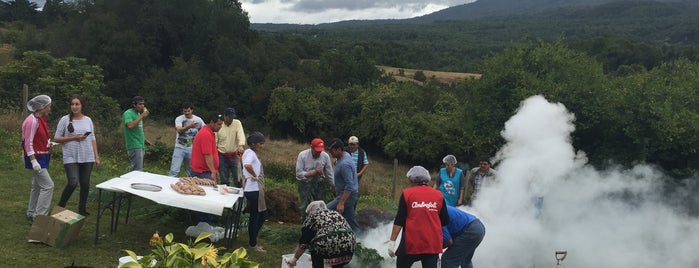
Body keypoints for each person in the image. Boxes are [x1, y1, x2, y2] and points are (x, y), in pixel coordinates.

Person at [388, 166, 449, 268]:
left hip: (411, 242)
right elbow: (445, 220)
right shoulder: (439, 195)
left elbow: (400, 220)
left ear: (410, 179)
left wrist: (392, 242)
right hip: (432, 242)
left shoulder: (407, 193)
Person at [53, 95, 100, 216]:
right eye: (72, 104)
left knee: (85, 183)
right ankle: (61, 205)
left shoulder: (88, 120)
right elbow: (57, 139)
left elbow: (92, 138)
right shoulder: (65, 119)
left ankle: (82, 209)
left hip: (87, 155)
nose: (74, 106)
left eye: (77, 104)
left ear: (82, 105)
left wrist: (96, 156)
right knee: (73, 182)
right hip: (70, 156)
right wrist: (74, 137)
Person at [286, 200, 356, 268]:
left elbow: (303, 244)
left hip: (330, 245)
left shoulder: (312, 218)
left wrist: (294, 259)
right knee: (336, 249)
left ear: (311, 211)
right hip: (349, 245)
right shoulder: (335, 213)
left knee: (313, 246)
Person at [22, 94, 55, 225]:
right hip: (35, 158)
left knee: (36, 185)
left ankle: (31, 213)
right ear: (42, 107)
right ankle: (39, 217)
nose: (50, 109)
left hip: (41, 156)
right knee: (48, 186)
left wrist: (49, 144)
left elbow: (39, 138)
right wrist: (33, 161)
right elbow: (27, 143)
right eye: (49, 106)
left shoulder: (39, 119)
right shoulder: (32, 121)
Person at [189, 112, 224, 224]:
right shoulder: (205, 134)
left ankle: (204, 222)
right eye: (218, 124)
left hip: (205, 170)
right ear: (212, 122)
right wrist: (213, 171)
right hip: (202, 172)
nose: (220, 127)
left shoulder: (210, 133)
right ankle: (204, 223)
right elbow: (207, 154)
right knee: (205, 199)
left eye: (221, 124)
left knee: (205, 198)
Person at [325, 138, 360, 233]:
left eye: (331, 150)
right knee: (350, 220)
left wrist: (341, 203)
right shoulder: (345, 155)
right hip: (346, 194)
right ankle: (361, 239)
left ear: (338, 149)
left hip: (348, 195)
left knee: (325, 211)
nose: (330, 152)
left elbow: (350, 185)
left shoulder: (345, 164)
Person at [242, 131, 268, 253]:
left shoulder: (248, 152)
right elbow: (247, 165)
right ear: (253, 144)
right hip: (254, 190)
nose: (262, 146)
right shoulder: (251, 153)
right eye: (260, 143)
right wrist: (255, 175)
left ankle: (252, 239)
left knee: (258, 216)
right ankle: (253, 244)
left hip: (251, 188)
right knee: (258, 216)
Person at [295, 138, 334, 217]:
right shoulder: (302, 155)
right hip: (305, 183)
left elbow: (329, 174)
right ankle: (305, 222)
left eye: (320, 151)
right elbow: (299, 174)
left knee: (321, 204)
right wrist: (313, 172)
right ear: (311, 147)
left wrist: (334, 186)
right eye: (316, 151)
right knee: (305, 205)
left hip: (319, 182)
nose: (318, 153)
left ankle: (320, 221)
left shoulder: (325, 156)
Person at [168, 101, 204, 177]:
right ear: (182, 111)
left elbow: (205, 130)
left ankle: (190, 186)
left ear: (192, 110)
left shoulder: (198, 120)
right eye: (185, 111)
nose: (187, 113)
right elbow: (179, 130)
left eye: (188, 111)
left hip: (192, 148)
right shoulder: (179, 119)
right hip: (179, 147)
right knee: (174, 170)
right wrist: (189, 126)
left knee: (191, 171)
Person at [216, 107, 246, 187]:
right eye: (229, 117)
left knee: (238, 177)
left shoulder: (237, 123)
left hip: (234, 155)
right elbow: (215, 140)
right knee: (224, 179)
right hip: (221, 155)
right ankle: (225, 195)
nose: (231, 119)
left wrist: (241, 145)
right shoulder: (219, 125)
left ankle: (240, 196)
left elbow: (241, 134)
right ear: (225, 116)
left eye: (232, 117)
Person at [122, 96, 152, 171]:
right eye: (140, 104)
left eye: (143, 104)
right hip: (134, 145)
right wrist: (142, 116)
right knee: (137, 170)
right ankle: (129, 182)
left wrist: (145, 140)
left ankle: (130, 182)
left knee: (136, 169)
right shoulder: (128, 113)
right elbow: (130, 126)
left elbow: (138, 130)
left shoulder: (138, 114)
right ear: (134, 105)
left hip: (140, 144)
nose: (142, 106)